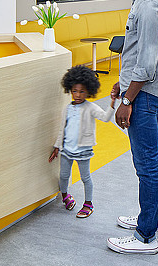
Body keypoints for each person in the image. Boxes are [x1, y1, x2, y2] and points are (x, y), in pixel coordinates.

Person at [107, 0, 158, 255]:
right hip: (142, 92)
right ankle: (151, 218)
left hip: (143, 96)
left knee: (146, 164)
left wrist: (127, 99)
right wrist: (121, 87)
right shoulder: (147, 0)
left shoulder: (148, 5)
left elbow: (145, 63)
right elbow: (136, 54)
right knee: (155, 158)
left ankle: (145, 236)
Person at [49, 65, 115, 219]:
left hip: (83, 150)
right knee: (64, 176)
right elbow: (62, 129)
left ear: (89, 91)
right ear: (70, 90)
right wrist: (57, 146)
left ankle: (88, 204)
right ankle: (65, 196)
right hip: (66, 149)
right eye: (75, 91)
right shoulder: (67, 108)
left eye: (82, 91)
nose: (77, 95)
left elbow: (105, 118)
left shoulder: (91, 107)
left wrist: (112, 103)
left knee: (86, 177)